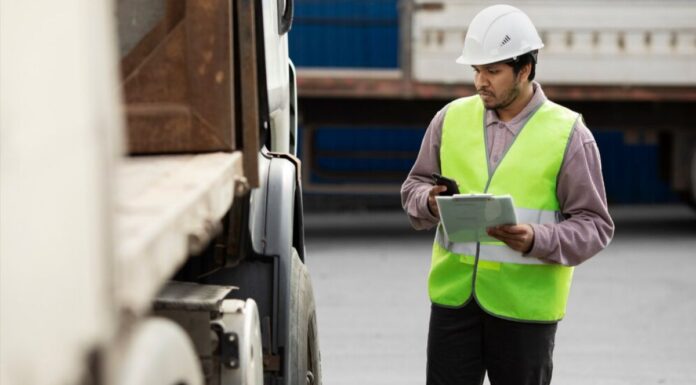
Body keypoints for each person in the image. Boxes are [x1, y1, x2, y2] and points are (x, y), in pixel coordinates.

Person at [401, 4, 615, 385]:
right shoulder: (449, 119)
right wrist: (429, 202)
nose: (481, 81)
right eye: (476, 70)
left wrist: (536, 238)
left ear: (525, 69)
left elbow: (595, 225)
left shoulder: (569, 135)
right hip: (454, 304)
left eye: (493, 71)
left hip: (524, 313)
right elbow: (413, 187)